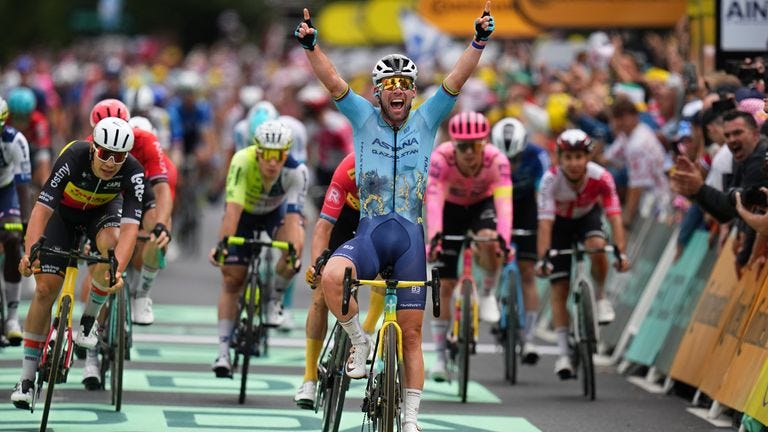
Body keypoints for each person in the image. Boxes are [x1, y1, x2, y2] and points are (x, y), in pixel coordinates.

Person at [294, 3, 494, 430]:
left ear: (413, 91)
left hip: (409, 242)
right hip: (368, 234)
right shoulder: (362, 119)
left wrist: (478, 40)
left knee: (413, 336)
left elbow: (457, 79)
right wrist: (312, 46)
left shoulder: (427, 121)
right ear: (378, 92)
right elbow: (333, 82)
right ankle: (358, 342)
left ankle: (411, 418)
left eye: (405, 83)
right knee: (332, 276)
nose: (398, 89)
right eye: (390, 84)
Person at [10, 117, 144, 409]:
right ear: (94, 147)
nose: (110, 162)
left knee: (110, 246)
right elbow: (42, 208)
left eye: (118, 156)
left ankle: (88, 321)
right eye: (104, 153)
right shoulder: (73, 155)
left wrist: (116, 271)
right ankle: (27, 379)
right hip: (63, 216)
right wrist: (30, 252)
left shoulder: (134, 172)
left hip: (102, 215)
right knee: (46, 290)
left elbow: (132, 228)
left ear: (127, 156)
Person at [209, 119, 307, 378]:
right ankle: (222, 351)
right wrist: (222, 246)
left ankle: (275, 299)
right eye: (267, 155)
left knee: (294, 249)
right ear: (257, 151)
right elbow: (232, 212)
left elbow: (296, 218)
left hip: (276, 213)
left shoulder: (297, 172)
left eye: (279, 155)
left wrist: (294, 254)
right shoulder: (242, 162)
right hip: (244, 215)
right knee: (233, 279)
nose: (273, 162)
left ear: (287, 153)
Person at [535, 129, 630, 380]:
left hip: (587, 218)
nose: (574, 163)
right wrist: (544, 257)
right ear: (560, 159)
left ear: (588, 157)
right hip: (559, 225)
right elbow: (545, 224)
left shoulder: (602, 177)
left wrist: (620, 250)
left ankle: (599, 298)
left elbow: (614, 215)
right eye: (569, 157)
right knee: (559, 289)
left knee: (598, 245)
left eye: (579, 157)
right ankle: (565, 353)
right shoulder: (549, 180)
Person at [425, 111, 512, 382]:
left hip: (481, 206)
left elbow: (504, 204)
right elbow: (434, 200)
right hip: (450, 209)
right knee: (446, 286)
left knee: (489, 237)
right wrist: (435, 236)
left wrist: (504, 239)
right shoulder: (441, 159)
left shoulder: (497, 160)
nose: (469, 153)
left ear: (484, 144)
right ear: (454, 144)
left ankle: (487, 293)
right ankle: (439, 357)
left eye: (474, 145)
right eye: (462, 146)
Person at [294, 152, 385, 408]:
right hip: (345, 220)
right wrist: (316, 265)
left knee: (385, 274)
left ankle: (366, 330)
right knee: (321, 293)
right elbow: (323, 227)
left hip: (377, 222)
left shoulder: (397, 167)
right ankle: (309, 378)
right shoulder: (348, 169)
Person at [671, 110, 768, 275]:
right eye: (728, 135)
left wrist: (745, 257)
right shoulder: (739, 158)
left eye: (737, 133)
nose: (731, 140)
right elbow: (728, 212)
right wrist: (696, 192)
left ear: (755, 134)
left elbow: (741, 207)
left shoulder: (760, 161)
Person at [490, 116, 550, 365]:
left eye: (514, 160)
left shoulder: (538, 157)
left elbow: (544, 196)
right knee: (492, 258)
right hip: (496, 204)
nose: (511, 166)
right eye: (506, 160)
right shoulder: (488, 156)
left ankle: (529, 335)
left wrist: (543, 228)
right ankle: (493, 297)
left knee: (527, 273)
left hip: (526, 208)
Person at [0, 97, 32, 346]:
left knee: (12, 240)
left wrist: (23, 223)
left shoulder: (15, 140)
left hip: (7, 190)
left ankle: (11, 317)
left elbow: (23, 185)